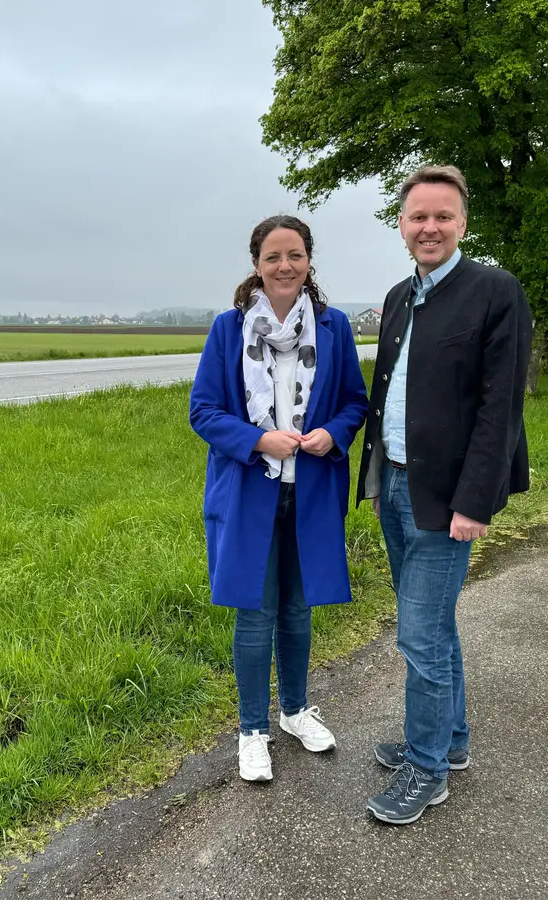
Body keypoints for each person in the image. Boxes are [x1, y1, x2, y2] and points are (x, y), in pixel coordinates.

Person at [357, 165, 532, 824]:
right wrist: (376, 476)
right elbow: (387, 396)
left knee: (419, 636)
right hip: (397, 483)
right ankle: (448, 741)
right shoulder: (402, 295)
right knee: (435, 630)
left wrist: (474, 502)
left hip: (448, 496)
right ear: (402, 226)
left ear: (463, 223)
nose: (428, 227)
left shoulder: (494, 292)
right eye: (417, 217)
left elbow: (500, 408)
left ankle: (426, 769)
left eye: (442, 216)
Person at [190, 214, 370, 782]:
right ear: (257, 266)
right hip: (250, 492)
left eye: (294, 255)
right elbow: (205, 412)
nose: (284, 266)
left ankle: (294, 710)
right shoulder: (228, 330)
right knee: (255, 612)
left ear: (309, 261)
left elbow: (353, 403)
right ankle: (251, 729)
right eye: (273, 257)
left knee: (296, 610)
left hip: (310, 492)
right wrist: (258, 439)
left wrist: (333, 434)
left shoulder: (335, 328)